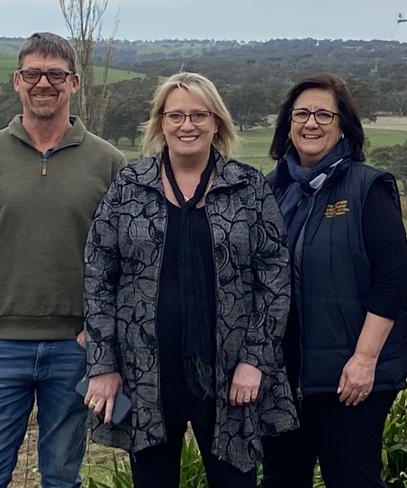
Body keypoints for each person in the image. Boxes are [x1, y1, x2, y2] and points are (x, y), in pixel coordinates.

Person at [82, 72, 297, 488]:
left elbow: (274, 280)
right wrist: (103, 364)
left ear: (217, 122)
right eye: (176, 115)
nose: (187, 126)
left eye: (199, 115)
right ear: (160, 122)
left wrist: (255, 360)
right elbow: (97, 275)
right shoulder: (129, 186)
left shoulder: (247, 187)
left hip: (232, 372)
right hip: (147, 373)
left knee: (235, 480)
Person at [0, 32, 126, 487]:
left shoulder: (109, 163)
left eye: (55, 74)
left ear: (75, 83)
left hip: (75, 347)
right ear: (16, 81)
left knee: (62, 476)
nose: (43, 83)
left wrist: (95, 333)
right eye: (32, 73)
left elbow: (128, 259)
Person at [261, 73, 407, 488]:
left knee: (352, 478)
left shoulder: (368, 186)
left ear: (343, 124)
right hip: (282, 374)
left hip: (348, 375)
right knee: (282, 478)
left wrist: (364, 360)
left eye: (324, 114)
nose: (311, 123)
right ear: (287, 124)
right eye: (302, 114)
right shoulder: (269, 190)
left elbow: (393, 277)